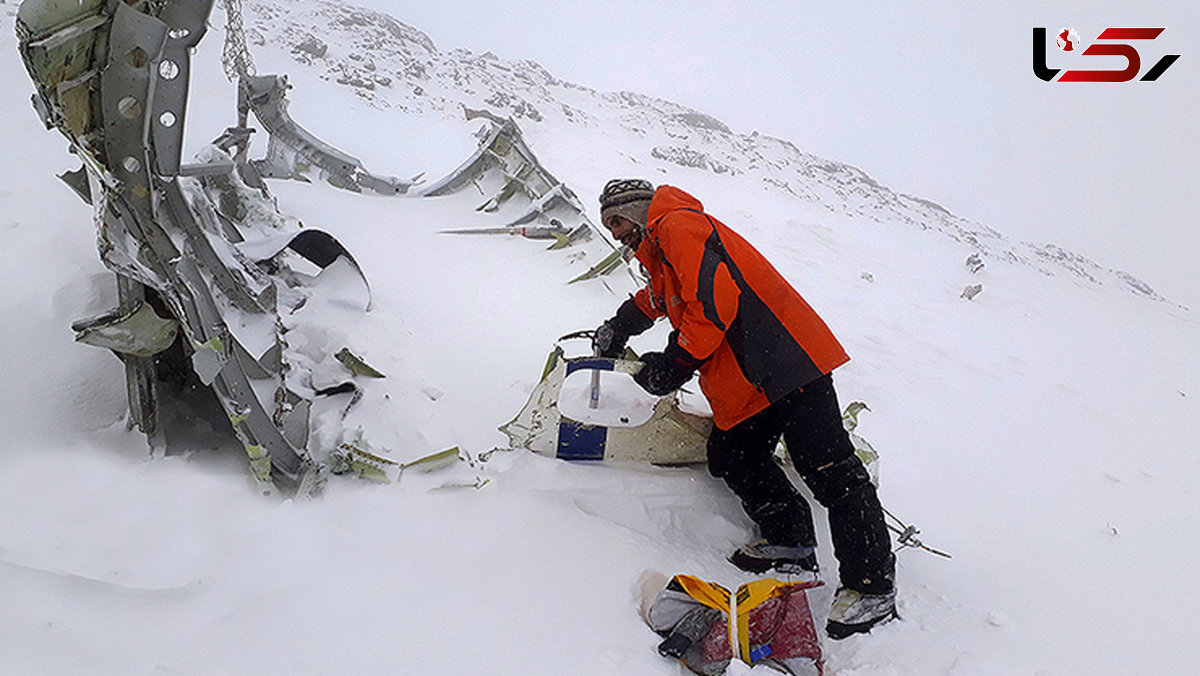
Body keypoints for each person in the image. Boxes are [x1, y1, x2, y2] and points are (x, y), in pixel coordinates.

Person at [593, 178, 896, 639]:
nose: (615, 233)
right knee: (734, 455)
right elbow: (662, 296)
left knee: (831, 471)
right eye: (609, 225)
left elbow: (714, 302)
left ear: (637, 210)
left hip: (788, 362)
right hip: (750, 378)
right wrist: (621, 324)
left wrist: (674, 364)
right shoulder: (662, 249)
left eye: (617, 220)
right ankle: (791, 539)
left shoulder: (677, 225)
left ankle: (872, 586)